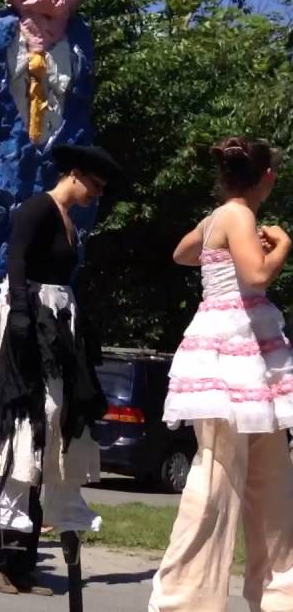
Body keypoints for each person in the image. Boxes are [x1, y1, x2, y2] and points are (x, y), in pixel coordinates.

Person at [0, 144, 117, 602]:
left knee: (50, 429)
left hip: (57, 323)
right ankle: (3, 556)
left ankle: (23, 560)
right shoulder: (36, 208)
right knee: (28, 424)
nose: (96, 194)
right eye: (95, 184)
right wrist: (22, 321)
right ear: (75, 174)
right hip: (30, 320)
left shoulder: (72, 222)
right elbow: (16, 262)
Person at [149, 137, 293, 611]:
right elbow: (256, 277)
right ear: (266, 177)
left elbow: (183, 253)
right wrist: (282, 246)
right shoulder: (238, 214)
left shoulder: (218, 218)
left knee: (272, 485)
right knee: (217, 480)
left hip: (244, 352)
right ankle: (184, 600)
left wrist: (230, 251)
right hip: (236, 350)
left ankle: (280, 595)